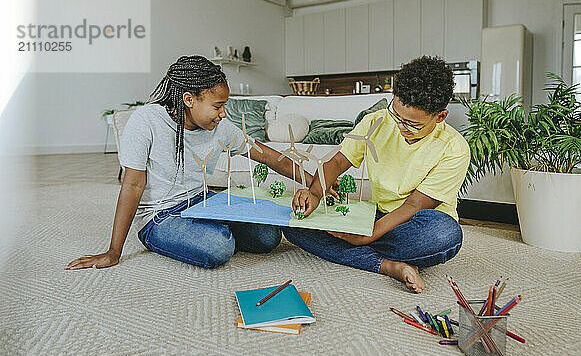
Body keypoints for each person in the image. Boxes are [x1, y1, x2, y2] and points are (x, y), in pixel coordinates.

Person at [66, 55, 317, 270]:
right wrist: (113, 252)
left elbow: (268, 156)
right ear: (189, 99)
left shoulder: (220, 127)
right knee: (219, 247)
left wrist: (316, 183)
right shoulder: (146, 121)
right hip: (160, 216)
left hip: (203, 201)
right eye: (218, 106)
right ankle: (185, 236)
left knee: (268, 237)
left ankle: (208, 228)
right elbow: (132, 185)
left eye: (224, 106)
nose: (223, 114)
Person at [285, 56, 470, 293]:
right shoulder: (376, 122)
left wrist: (365, 236)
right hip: (378, 215)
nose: (401, 127)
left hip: (418, 222)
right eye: (397, 116)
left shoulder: (454, 148)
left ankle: (356, 249)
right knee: (293, 224)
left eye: (412, 124)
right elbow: (339, 161)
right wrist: (314, 194)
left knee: (445, 234)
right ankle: (389, 266)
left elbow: (414, 205)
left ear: (440, 116)